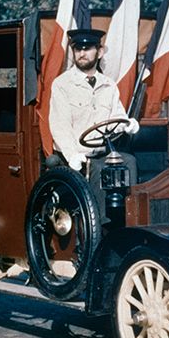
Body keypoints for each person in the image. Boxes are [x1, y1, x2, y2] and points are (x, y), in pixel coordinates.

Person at [49, 28, 139, 215]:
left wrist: (128, 124)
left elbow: (117, 117)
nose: (82, 53)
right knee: (100, 170)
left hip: (104, 152)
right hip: (75, 159)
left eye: (88, 48)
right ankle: (100, 228)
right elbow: (60, 127)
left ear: (99, 52)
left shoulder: (108, 85)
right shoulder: (62, 84)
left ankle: (132, 219)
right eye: (77, 49)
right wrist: (73, 155)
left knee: (129, 162)